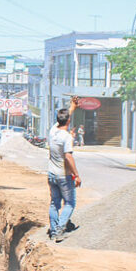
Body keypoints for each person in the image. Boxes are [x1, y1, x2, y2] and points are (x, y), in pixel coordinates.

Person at [48, 97, 81, 242]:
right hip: (63, 175)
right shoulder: (67, 137)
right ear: (68, 121)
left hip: (51, 174)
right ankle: (60, 229)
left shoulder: (52, 131)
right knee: (69, 203)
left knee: (54, 203)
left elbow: (63, 118)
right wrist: (76, 175)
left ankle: (54, 231)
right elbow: (68, 157)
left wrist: (72, 107)